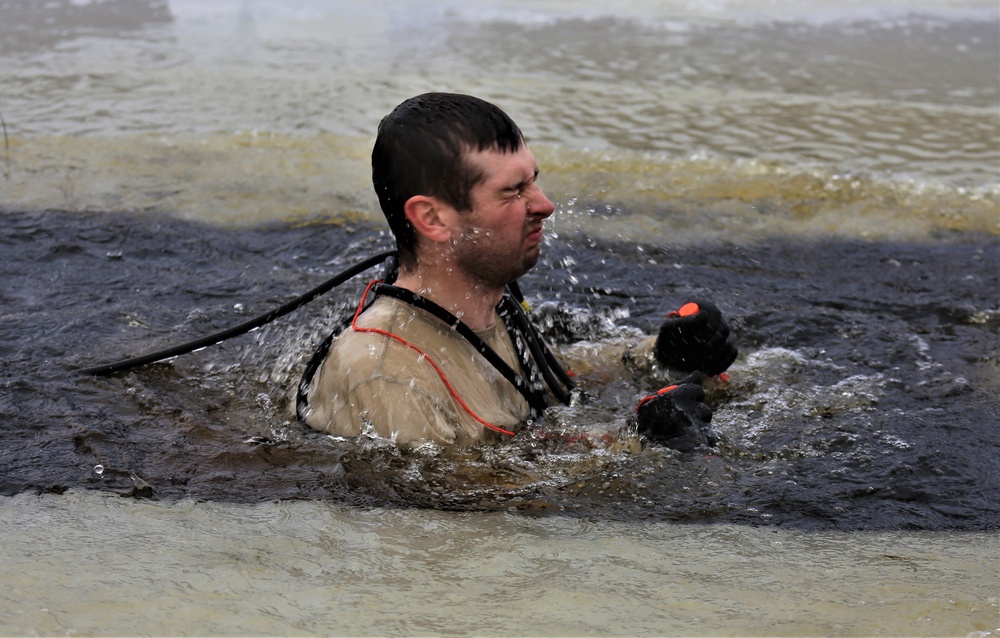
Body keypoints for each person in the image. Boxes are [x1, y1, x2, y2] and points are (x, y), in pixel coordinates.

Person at [296, 92, 737, 449]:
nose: (545, 204)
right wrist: (638, 444)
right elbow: (457, 506)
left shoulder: (489, 304)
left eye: (534, 179)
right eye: (513, 191)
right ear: (432, 219)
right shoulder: (386, 371)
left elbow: (550, 375)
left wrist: (658, 356)